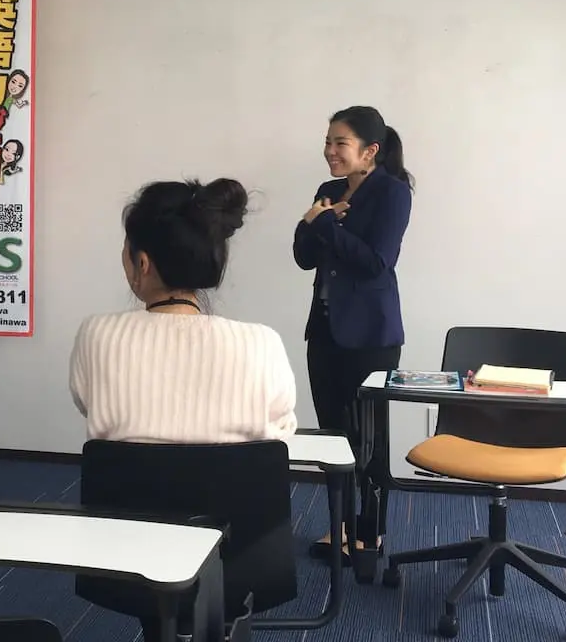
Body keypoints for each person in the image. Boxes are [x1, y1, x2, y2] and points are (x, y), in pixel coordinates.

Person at [69, 177, 297, 641]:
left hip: (127, 555)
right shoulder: (262, 343)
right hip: (240, 553)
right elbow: (280, 434)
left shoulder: (97, 335)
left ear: (143, 263)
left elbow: (87, 402)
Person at [292, 106, 413, 562]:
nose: (329, 152)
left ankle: (371, 530)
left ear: (370, 151)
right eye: (327, 142)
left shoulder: (393, 193)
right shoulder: (328, 191)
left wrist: (324, 225)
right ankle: (339, 528)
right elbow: (305, 255)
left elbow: (376, 261)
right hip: (323, 329)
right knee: (332, 435)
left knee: (368, 438)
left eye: (339, 143)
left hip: (371, 334)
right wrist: (311, 225)